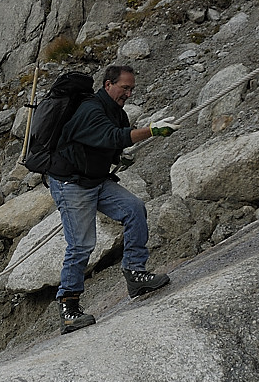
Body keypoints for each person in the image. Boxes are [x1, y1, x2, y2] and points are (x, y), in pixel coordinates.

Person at [47, 64, 179, 333]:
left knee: (134, 208)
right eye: (124, 88)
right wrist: (151, 130)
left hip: (95, 180)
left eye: (132, 89)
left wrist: (119, 156)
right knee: (81, 244)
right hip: (71, 183)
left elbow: (111, 142)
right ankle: (69, 307)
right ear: (108, 85)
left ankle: (135, 274)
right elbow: (111, 136)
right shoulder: (91, 109)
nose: (128, 94)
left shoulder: (116, 112)